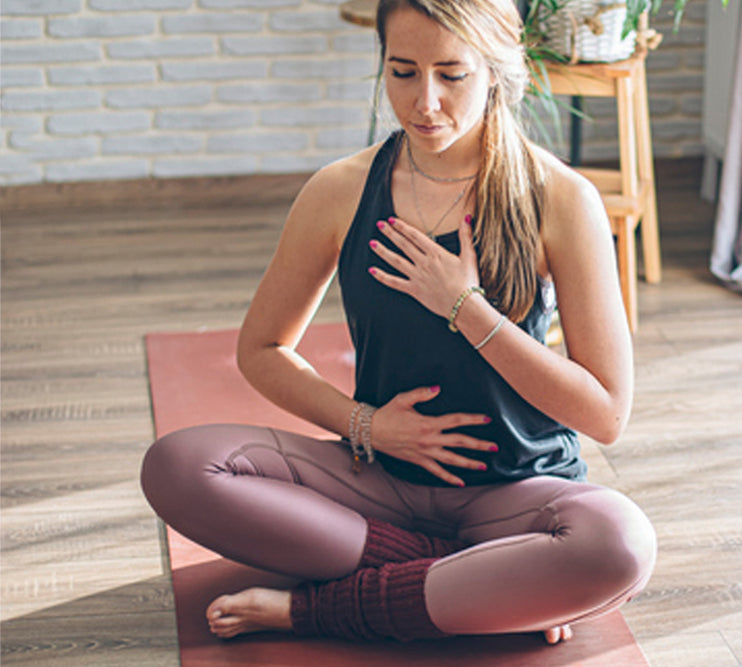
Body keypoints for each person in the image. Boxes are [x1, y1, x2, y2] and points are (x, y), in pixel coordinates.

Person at [141, 0, 656, 646]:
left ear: (496, 69)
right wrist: (370, 425)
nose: (425, 102)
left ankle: (318, 608)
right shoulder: (341, 189)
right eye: (403, 72)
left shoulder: (561, 200)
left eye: (452, 74)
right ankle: (478, 585)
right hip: (380, 482)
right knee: (177, 466)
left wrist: (465, 307)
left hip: (518, 497)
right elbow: (262, 349)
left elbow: (607, 411)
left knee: (622, 544)